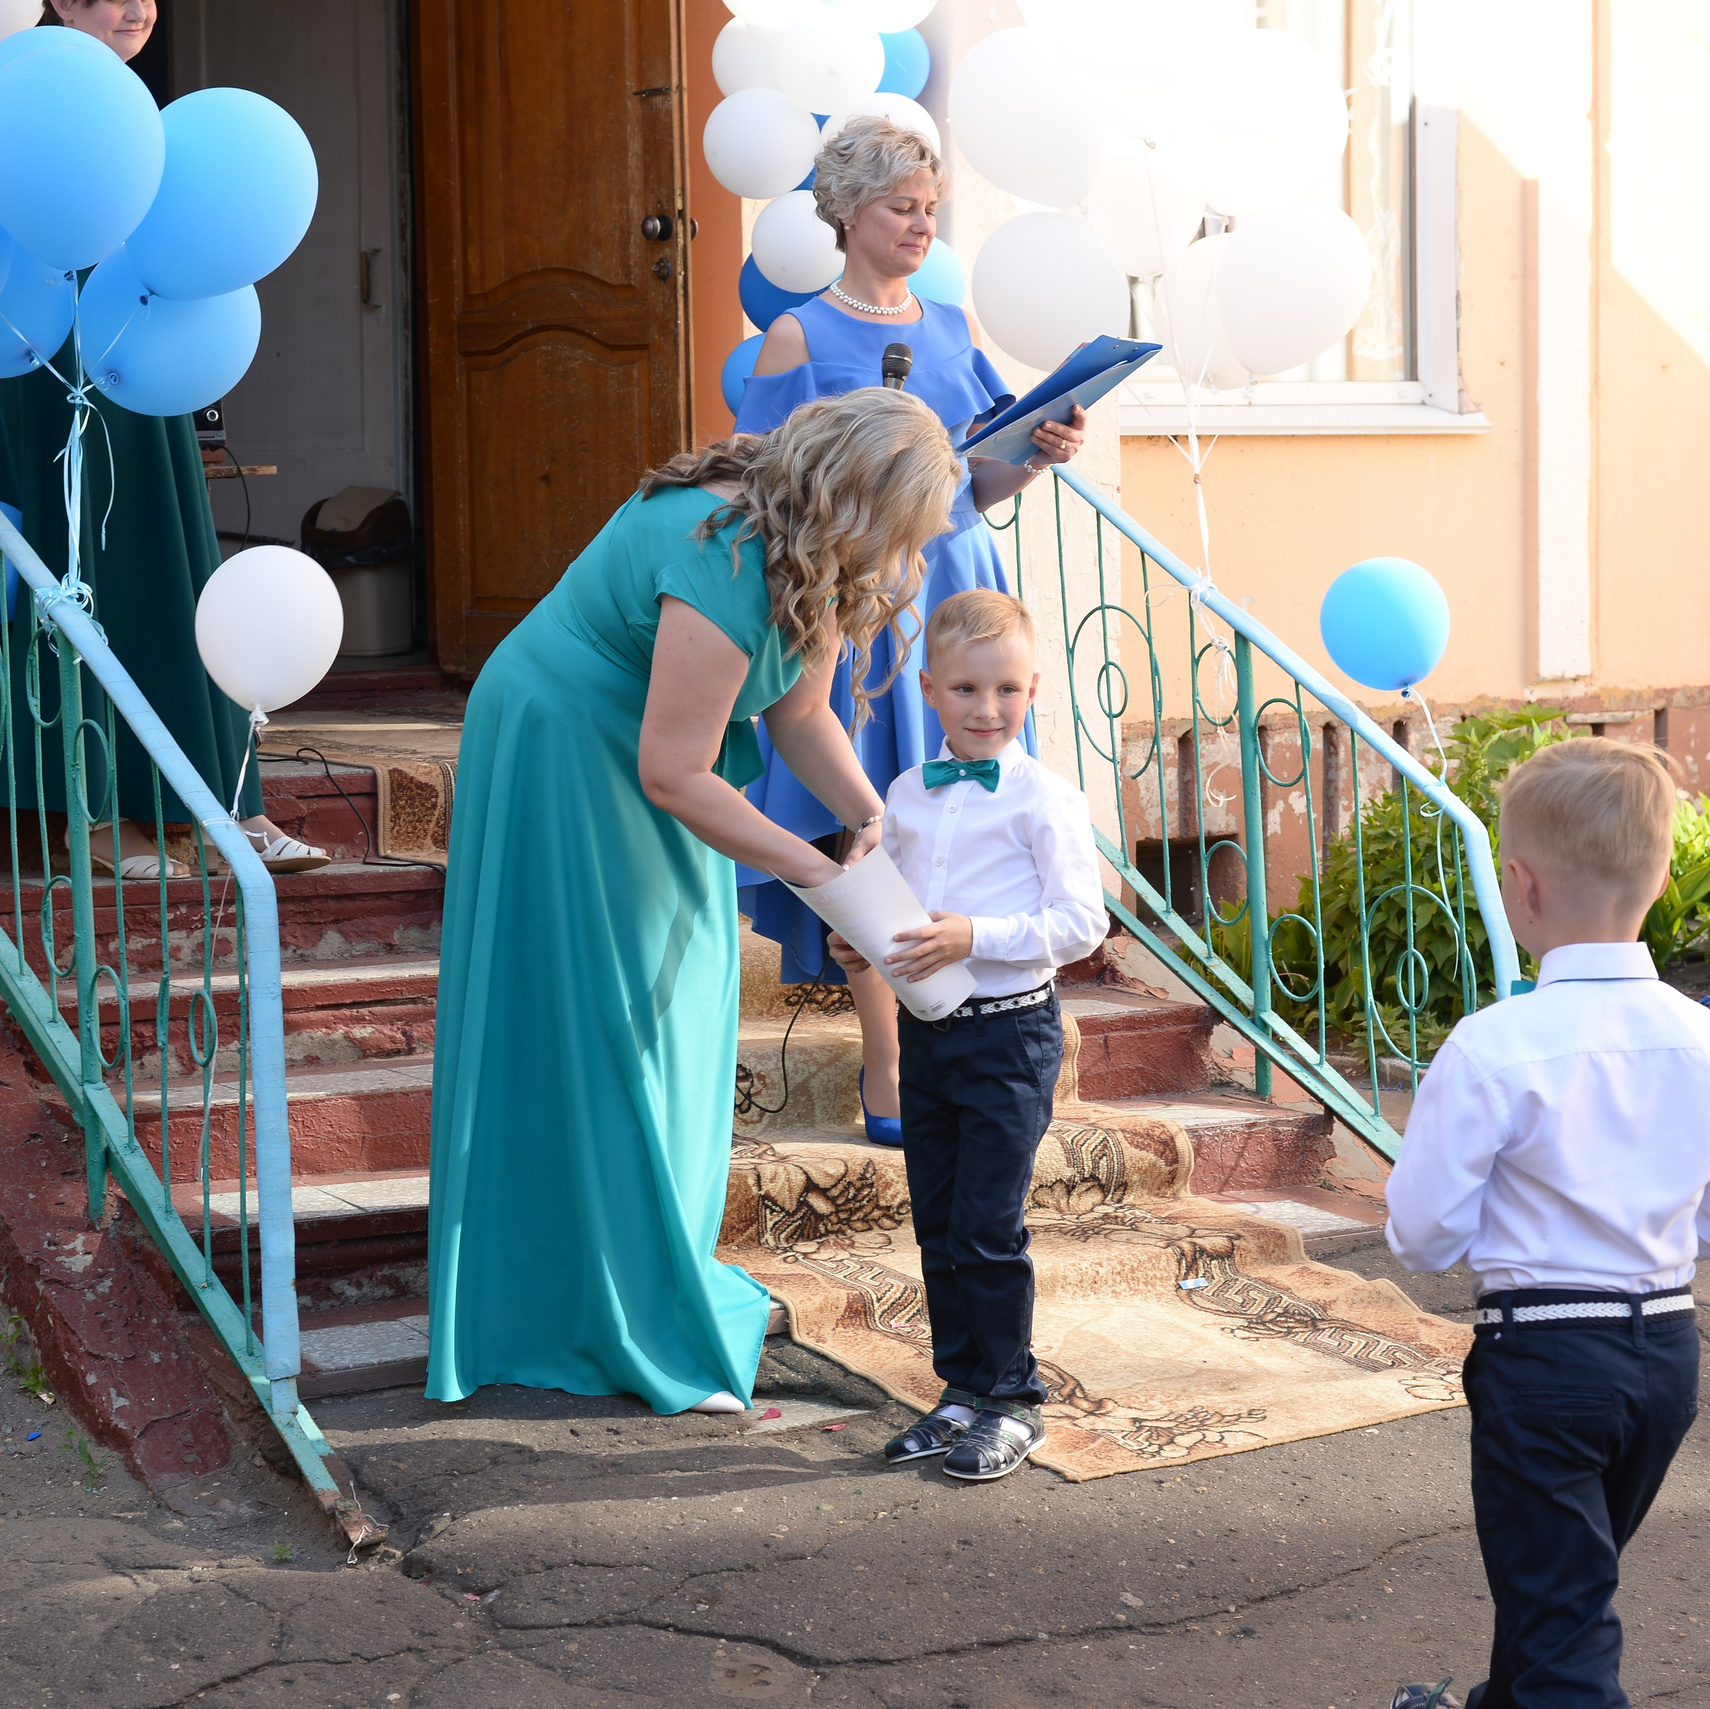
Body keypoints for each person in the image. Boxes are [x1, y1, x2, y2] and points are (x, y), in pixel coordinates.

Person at [426, 389, 962, 1416]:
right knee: (611, 1027)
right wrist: (818, 874)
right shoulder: (725, 551)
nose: (910, 559)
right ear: (861, 502)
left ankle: (652, 1271)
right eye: (908, 532)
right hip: (566, 750)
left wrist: (869, 818)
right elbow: (674, 771)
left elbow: (800, 713)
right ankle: (617, 1315)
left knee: (683, 1012)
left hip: (658, 756)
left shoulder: (816, 548)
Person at [735, 117, 1087, 1147]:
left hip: (955, 589)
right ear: (848, 214)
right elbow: (762, 488)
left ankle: (974, 1031)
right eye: (902, 207)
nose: (922, 224)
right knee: (870, 823)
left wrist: (1040, 451)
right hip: (855, 597)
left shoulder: (951, 324)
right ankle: (887, 1056)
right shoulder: (798, 337)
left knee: (963, 817)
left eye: (931, 207)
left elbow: (981, 483)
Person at [1386, 738, 1710, 1709]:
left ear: (1520, 886)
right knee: (1558, 1575)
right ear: (1660, 881)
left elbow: (1421, 1235)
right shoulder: (1702, 1037)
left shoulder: (1494, 1046)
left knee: (1564, 1608)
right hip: (1667, 1352)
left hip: (1546, 1358)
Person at [0, 0, 327, 878]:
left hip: (140, 360)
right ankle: (96, 816)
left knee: (176, 572)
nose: (139, 7)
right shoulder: (29, 81)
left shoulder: (141, 104)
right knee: (85, 574)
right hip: (44, 364)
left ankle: (228, 807)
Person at [829, 589, 1105, 1479]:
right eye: (966, 689)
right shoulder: (906, 795)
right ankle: (960, 1389)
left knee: (988, 1226)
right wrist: (863, 937)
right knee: (940, 1223)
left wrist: (976, 935)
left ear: (1033, 690)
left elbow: (1082, 923)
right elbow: (900, 907)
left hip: (1010, 1039)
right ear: (929, 690)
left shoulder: (1046, 800)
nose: (987, 708)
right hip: (930, 1036)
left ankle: (1014, 1400)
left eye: (1007, 689)